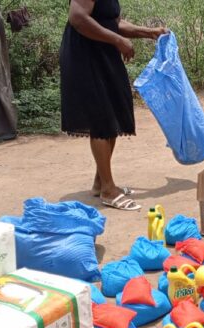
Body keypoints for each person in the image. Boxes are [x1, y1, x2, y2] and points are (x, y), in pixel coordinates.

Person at [60, 0, 167, 211]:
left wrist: (150, 32)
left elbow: (113, 22)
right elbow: (78, 18)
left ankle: (100, 182)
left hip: (104, 55)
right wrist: (118, 40)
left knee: (113, 113)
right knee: (101, 117)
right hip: (85, 57)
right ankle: (108, 190)